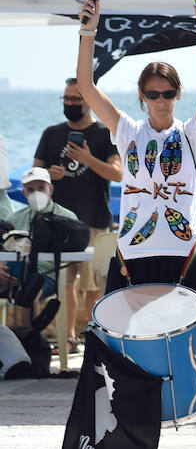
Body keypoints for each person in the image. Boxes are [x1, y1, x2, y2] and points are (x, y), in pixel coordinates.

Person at [75, 0, 196, 449]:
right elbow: (86, 86)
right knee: (115, 343)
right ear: (142, 97)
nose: (162, 100)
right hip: (133, 257)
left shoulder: (191, 135)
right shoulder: (127, 132)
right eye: (153, 93)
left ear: (177, 96)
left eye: (169, 93)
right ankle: (118, 433)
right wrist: (89, 32)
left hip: (183, 254)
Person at [34, 77, 120, 347]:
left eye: (76, 99)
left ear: (89, 102)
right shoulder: (51, 133)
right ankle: (68, 337)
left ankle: (97, 336)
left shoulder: (105, 134)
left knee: (94, 283)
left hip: (94, 219)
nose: (70, 103)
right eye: (66, 99)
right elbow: (34, 174)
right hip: (59, 222)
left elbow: (117, 173)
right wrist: (48, 174)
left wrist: (88, 160)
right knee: (65, 282)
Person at [2, 168, 79, 323]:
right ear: (24, 193)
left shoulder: (67, 218)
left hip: (47, 273)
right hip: (14, 273)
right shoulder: (13, 219)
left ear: (50, 189)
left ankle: (30, 342)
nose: (36, 194)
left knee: (30, 292)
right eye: (30, 189)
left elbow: (76, 253)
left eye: (41, 188)